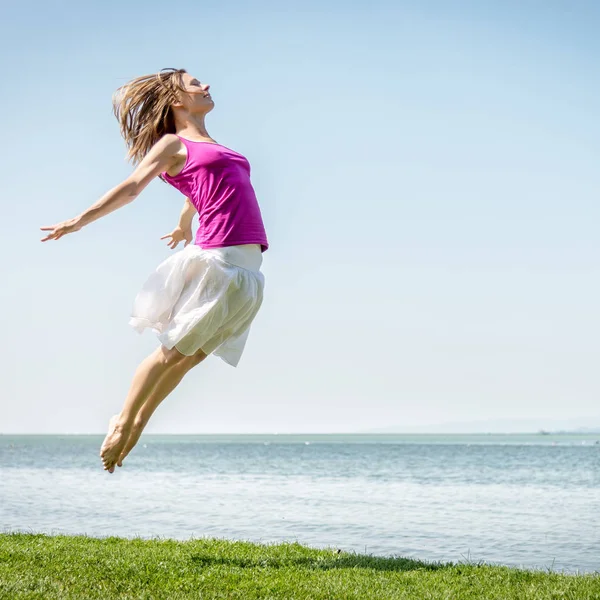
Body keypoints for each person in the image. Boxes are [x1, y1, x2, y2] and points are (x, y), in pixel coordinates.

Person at [40, 68, 269, 473]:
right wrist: (79, 220)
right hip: (220, 262)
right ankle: (125, 421)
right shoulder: (171, 144)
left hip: (249, 272)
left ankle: (138, 424)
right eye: (196, 83)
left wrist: (184, 219)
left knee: (190, 358)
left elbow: (203, 186)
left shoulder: (215, 146)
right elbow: (132, 187)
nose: (207, 86)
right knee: (171, 352)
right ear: (177, 100)